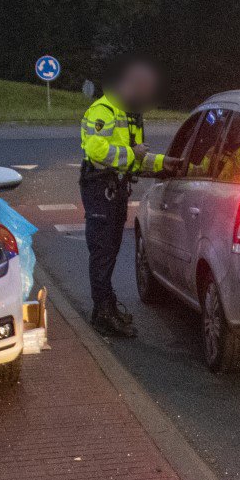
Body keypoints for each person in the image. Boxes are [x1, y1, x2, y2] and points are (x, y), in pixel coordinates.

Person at [80, 55, 167, 337]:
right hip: (100, 188)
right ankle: (103, 312)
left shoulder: (129, 114)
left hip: (114, 189)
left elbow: (135, 159)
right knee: (103, 252)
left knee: (110, 250)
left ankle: (106, 307)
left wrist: (166, 164)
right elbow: (97, 151)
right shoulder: (103, 110)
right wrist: (134, 154)